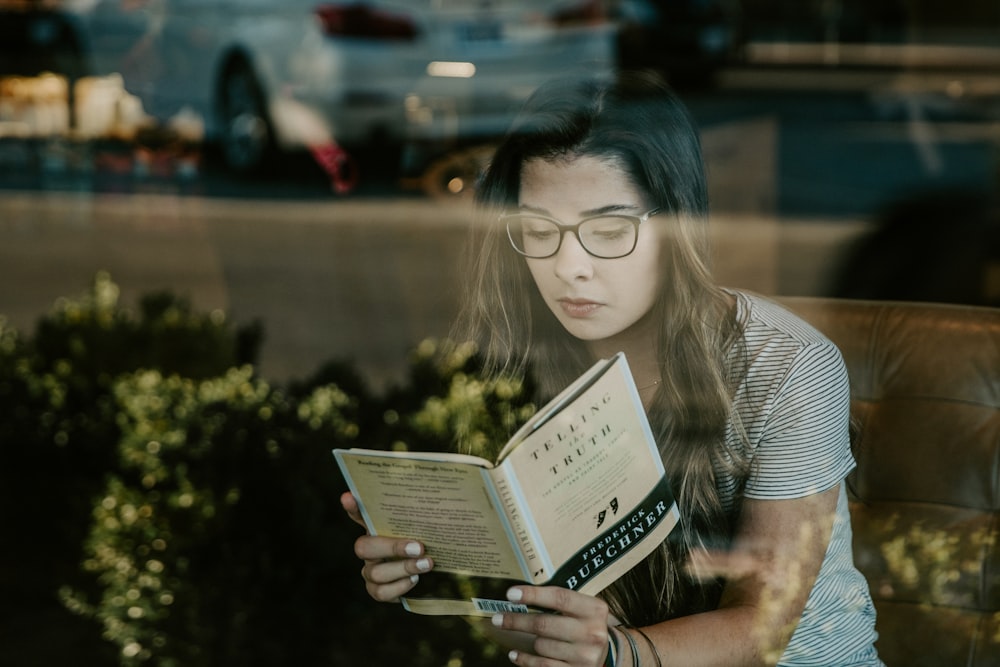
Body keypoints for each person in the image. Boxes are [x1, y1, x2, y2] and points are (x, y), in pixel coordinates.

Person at [340, 73, 883, 667]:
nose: (570, 267)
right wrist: (433, 569)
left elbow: (764, 629)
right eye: (540, 231)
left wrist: (613, 655)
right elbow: (537, 622)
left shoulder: (787, 365)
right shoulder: (518, 359)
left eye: (607, 231)